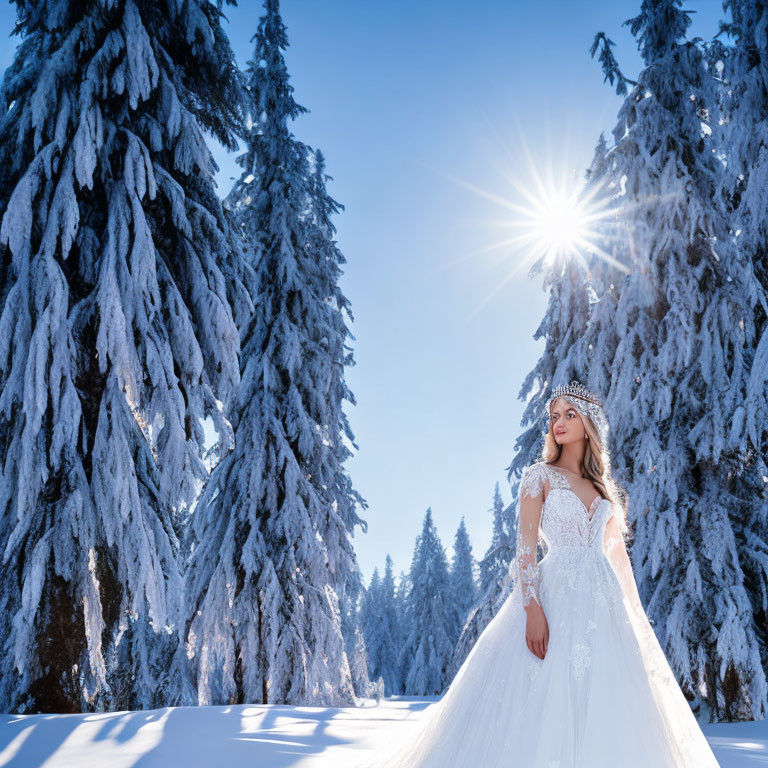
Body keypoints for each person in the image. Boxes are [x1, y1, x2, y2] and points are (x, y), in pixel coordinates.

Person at [354, 381, 721, 767]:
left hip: (602, 607)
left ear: (589, 423)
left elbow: (618, 560)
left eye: (569, 414)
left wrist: (635, 621)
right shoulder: (538, 477)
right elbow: (525, 550)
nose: (558, 422)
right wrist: (532, 609)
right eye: (554, 416)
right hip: (553, 595)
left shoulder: (602, 491)